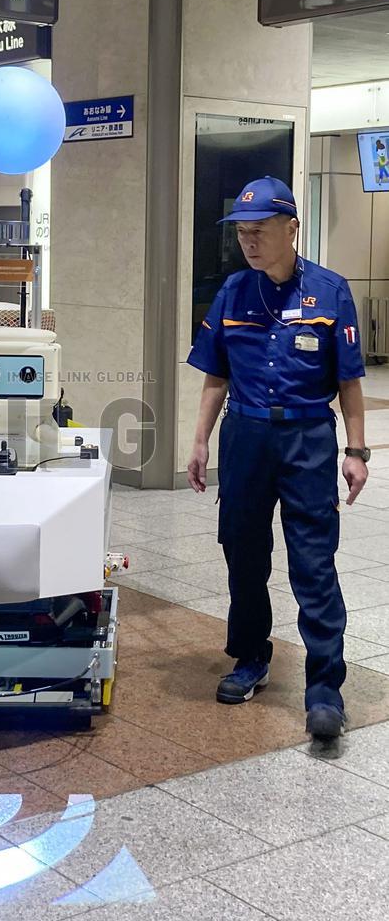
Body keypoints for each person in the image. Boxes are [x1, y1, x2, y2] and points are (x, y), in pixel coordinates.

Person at [186, 176, 369, 741]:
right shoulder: (233, 291)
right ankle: (250, 658)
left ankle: (325, 690)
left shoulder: (330, 291)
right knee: (242, 551)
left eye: (259, 230)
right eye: (242, 232)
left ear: (292, 228)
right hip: (245, 436)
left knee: (313, 562)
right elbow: (215, 376)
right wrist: (200, 441)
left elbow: (349, 381)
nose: (249, 241)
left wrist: (356, 451)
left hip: (307, 438)